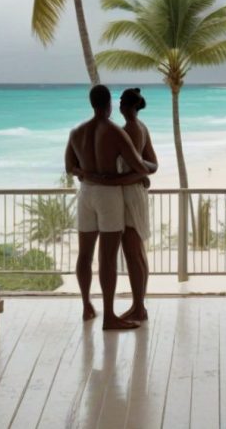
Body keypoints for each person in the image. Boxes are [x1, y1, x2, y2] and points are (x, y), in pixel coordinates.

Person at [65, 85, 154, 331]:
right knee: (108, 258)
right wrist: (131, 178)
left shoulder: (76, 132)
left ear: (92, 103)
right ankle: (109, 316)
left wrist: (86, 174)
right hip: (109, 196)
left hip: (85, 194)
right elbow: (141, 166)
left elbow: (69, 166)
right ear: (110, 105)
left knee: (84, 254)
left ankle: (86, 306)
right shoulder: (116, 132)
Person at [88, 88, 155, 322]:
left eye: (121, 103)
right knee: (138, 253)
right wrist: (140, 174)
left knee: (132, 252)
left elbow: (140, 167)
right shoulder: (143, 128)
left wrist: (116, 180)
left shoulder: (125, 131)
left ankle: (138, 307)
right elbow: (152, 164)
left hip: (127, 195)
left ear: (127, 106)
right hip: (135, 192)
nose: (118, 106)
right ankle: (140, 305)